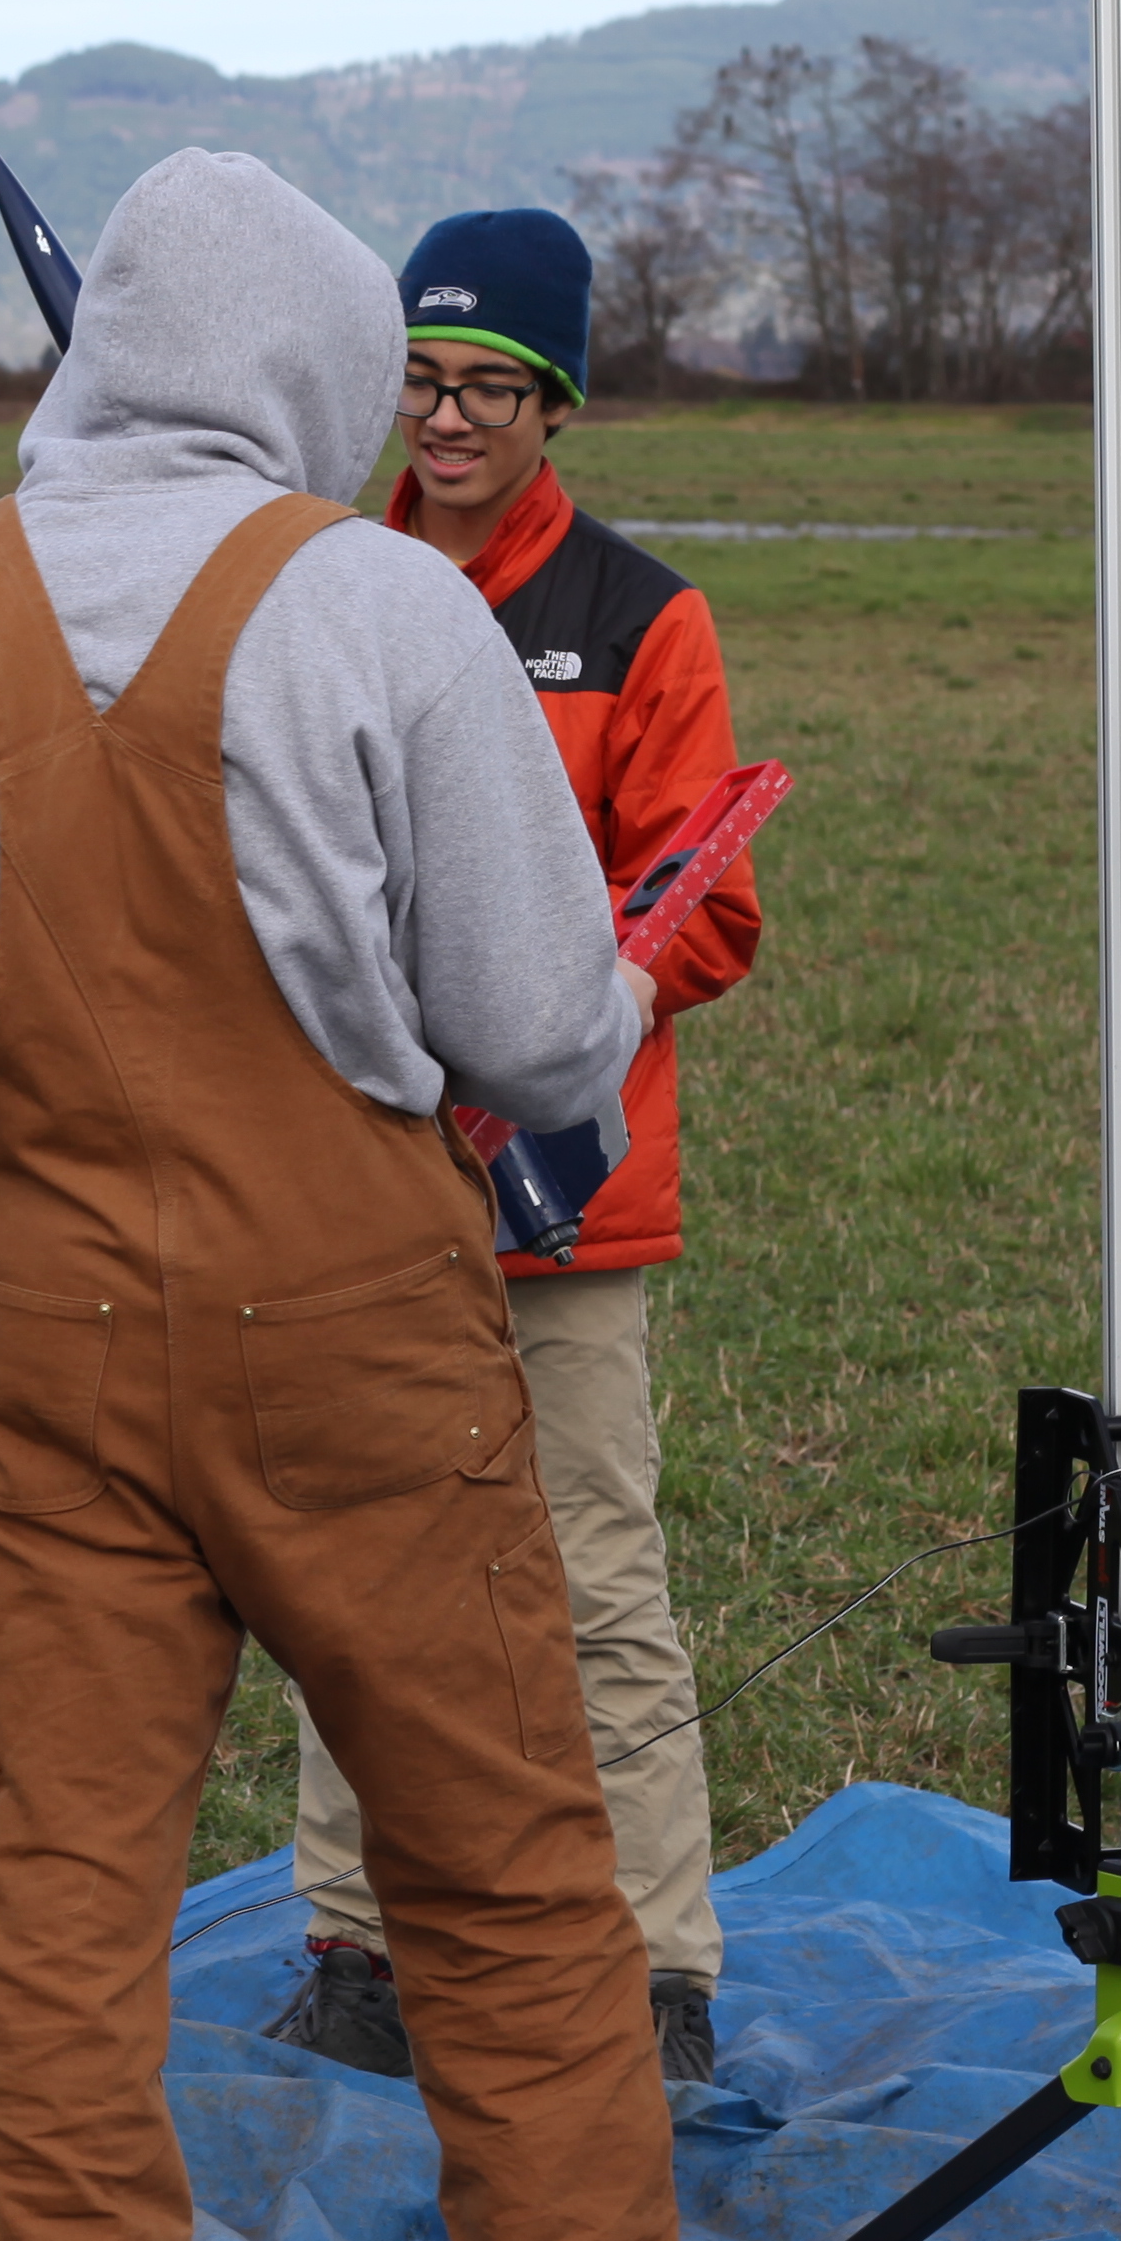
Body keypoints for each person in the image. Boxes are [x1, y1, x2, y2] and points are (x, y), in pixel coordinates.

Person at [0, 148, 727, 2241]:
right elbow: (536, 1029)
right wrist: (621, 983)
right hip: (369, 1336)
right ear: (313, 368)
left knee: (62, 1920)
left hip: (51, 1342)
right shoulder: (390, 609)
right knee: (503, 1872)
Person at [262, 207, 763, 2094]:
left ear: (559, 406)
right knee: (352, 1575)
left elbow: (707, 901)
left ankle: (656, 1970)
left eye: (493, 385)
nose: (449, 418)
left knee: (592, 1586)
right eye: (421, 379)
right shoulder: (318, 583)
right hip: (350, 1182)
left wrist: (567, 1023)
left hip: (563, 1197)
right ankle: (358, 1948)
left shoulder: (641, 618)